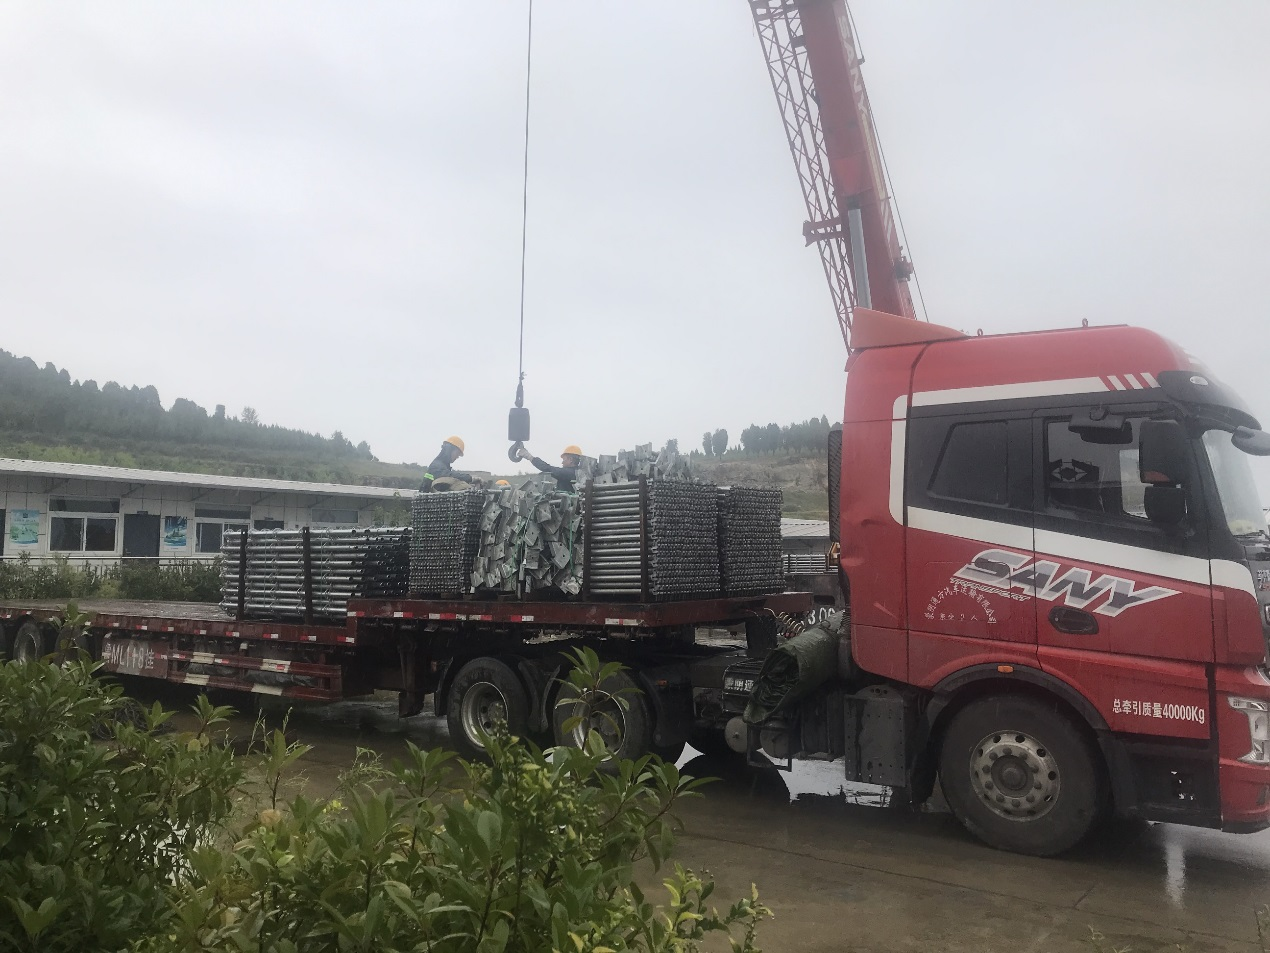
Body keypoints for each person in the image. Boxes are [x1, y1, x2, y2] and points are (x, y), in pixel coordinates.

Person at [517, 444, 581, 490]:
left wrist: (529, 457)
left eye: (564, 459)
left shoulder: (569, 473)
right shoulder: (580, 473)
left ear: (570, 459)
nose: (562, 462)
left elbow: (547, 468)